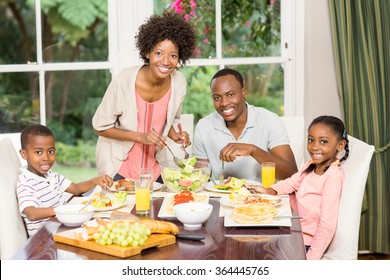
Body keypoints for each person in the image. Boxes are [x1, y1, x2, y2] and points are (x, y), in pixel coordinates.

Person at [92, 11, 196, 183]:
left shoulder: (179, 83)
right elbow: (99, 127)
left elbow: (170, 119)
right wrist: (141, 136)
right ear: (148, 52)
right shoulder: (124, 81)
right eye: (158, 53)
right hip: (119, 168)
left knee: (162, 209)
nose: (165, 61)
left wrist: (173, 134)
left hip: (155, 169)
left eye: (173, 55)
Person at [249, 115, 349, 260]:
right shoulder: (310, 165)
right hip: (292, 230)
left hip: (305, 242)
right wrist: (269, 190)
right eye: (311, 140)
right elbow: (291, 182)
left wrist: (310, 260)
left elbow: (327, 225)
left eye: (323, 142)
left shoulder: (332, 176)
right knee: (253, 244)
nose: (315, 146)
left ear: (340, 146)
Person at [193, 68, 298, 182]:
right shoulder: (203, 127)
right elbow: (201, 178)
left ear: (244, 92)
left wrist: (253, 150)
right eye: (217, 98)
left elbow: (291, 174)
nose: (224, 103)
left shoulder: (269, 120)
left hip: (262, 196)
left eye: (230, 94)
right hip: (222, 197)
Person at [16, 124, 113, 237]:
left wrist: (96, 181)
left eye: (51, 151)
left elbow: (76, 189)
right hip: (45, 240)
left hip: (63, 229)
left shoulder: (51, 175)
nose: (46, 157)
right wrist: (62, 210)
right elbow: (31, 213)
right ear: (24, 154)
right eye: (38, 152)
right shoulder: (25, 183)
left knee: (107, 225)